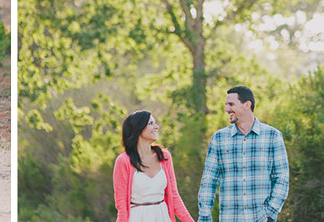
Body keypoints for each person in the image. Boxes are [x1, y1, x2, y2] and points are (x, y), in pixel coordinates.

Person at [198, 86, 289, 222]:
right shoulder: (218, 138)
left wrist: (269, 214)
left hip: (262, 218)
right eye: (226, 105)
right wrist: (205, 216)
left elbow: (282, 178)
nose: (226, 109)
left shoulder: (273, 136)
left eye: (231, 104)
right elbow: (209, 181)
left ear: (247, 105)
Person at [113, 110, 196, 222]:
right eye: (151, 124)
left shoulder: (164, 156)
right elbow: (121, 205)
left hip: (162, 216)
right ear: (138, 128)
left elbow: (174, 197)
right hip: (137, 217)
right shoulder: (123, 161)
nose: (156, 127)